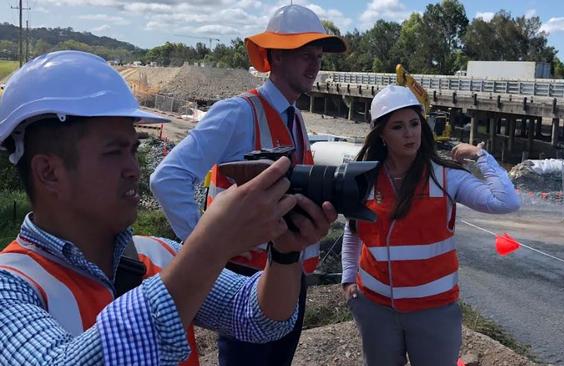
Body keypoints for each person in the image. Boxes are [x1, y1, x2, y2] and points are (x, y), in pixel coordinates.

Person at [0, 50, 336, 365]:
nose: (133, 167)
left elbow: (261, 320)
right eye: (114, 151)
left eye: (133, 149)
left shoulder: (158, 255)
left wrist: (285, 253)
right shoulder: (11, 285)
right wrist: (211, 243)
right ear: (49, 172)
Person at [150, 4, 346, 365]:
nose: (315, 65)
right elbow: (168, 178)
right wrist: (208, 249)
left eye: (318, 56)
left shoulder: (296, 120)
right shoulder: (238, 113)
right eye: (305, 54)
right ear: (274, 58)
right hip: (245, 282)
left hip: (288, 275)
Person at [341, 85, 521, 366]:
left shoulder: (446, 178)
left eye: (414, 124)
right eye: (398, 127)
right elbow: (352, 231)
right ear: (382, 135)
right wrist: (348, 278)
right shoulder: (365, 177)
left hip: (434, 310)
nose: (409, 133)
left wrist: (479, 156)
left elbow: (506, 202)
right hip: (375, 307)